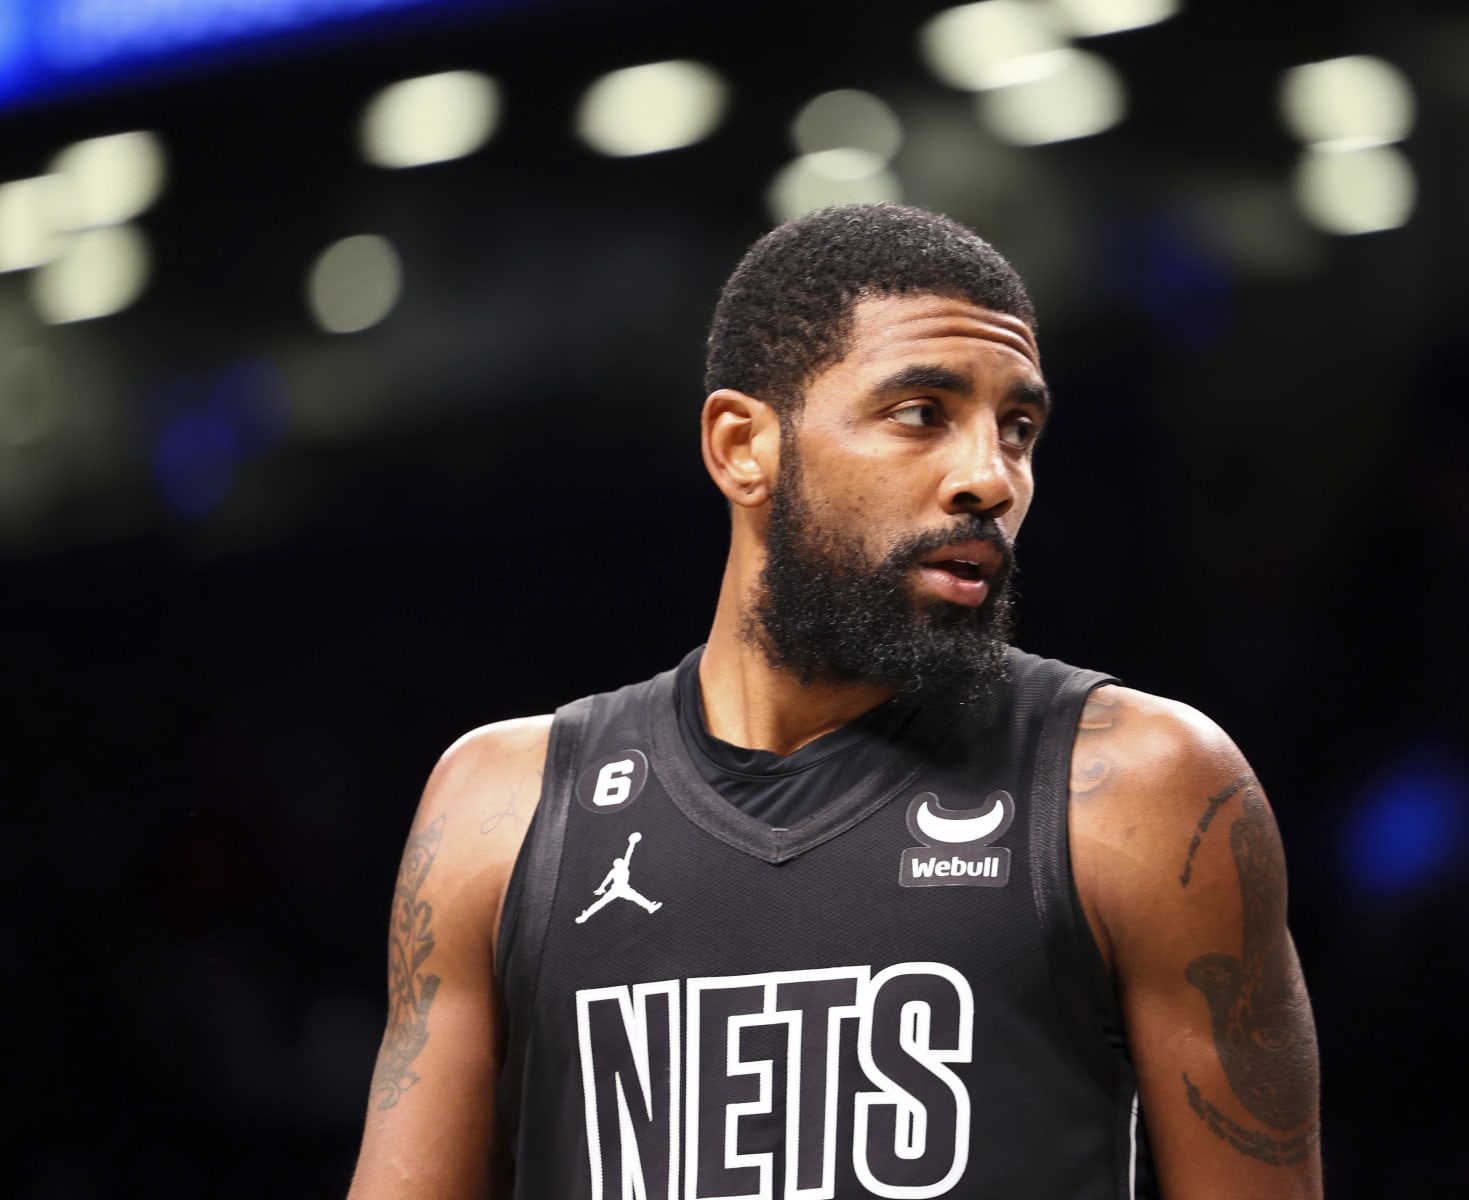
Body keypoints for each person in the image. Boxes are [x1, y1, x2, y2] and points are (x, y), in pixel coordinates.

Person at [347, 204, 1321, 1199]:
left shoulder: (1142, 790)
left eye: (1018, 429)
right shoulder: (501, 811)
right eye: (921, 413)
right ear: (742, 447)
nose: (991, 477)